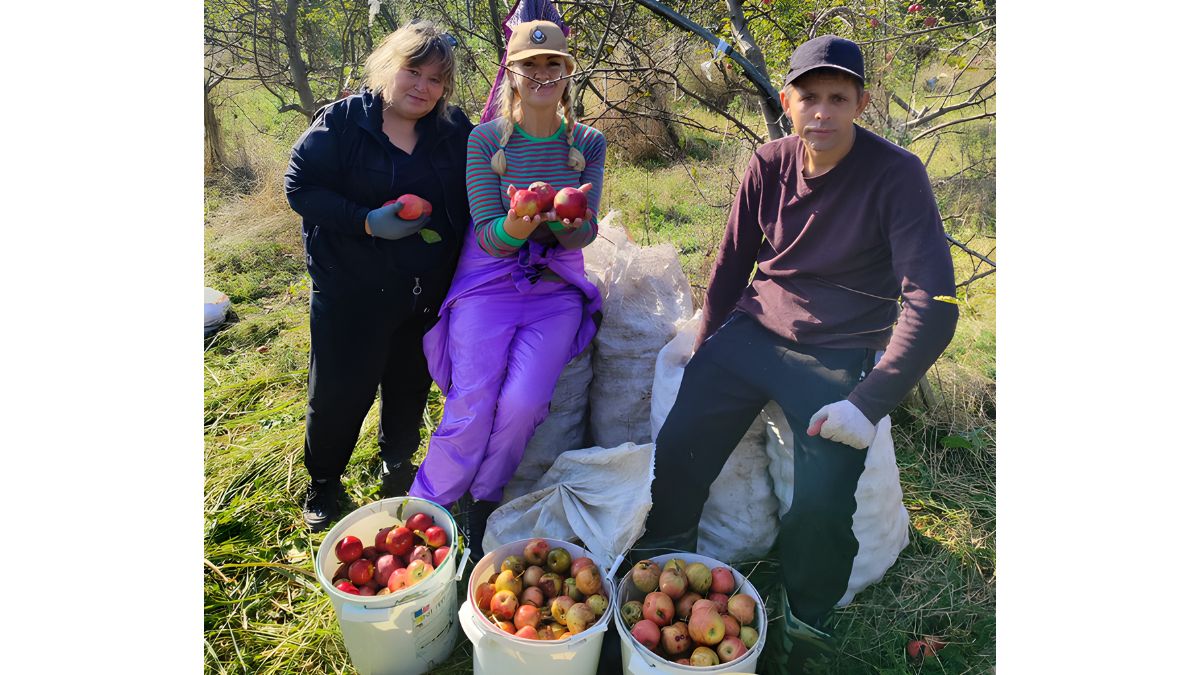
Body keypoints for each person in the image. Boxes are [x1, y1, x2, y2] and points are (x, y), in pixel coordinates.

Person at [632, 35, 960, 669]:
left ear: (861, 102)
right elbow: (732, 264)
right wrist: (706, 351)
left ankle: (806, 626)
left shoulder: (896, 175)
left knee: (820, 502)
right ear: (787, 101)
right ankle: (660, 575)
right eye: (809, 97)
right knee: (678, 450)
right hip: (756, 329)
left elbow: (935, 304)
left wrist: (869, 403)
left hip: (839, 350)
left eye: (839, 98)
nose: (823, 112)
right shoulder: (770, 162)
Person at [410, 20, 606, 559]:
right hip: (490, 278)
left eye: (553, 65)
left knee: (523, 404)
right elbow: (489, 234)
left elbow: (586, 232)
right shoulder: (487, 140)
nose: (542, 74)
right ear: (512, 74)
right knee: (473, 400)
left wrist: (570, 221)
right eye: (530, 66)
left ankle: (483, 499)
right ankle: (431, 507)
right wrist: (523, 221)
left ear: (567, 74)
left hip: (554, 284)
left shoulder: (588, 142)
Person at [283, 21, 474, 531]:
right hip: (353, 291)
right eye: (413, 71)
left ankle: (397, 462)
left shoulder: (454, 133)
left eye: (436, 79)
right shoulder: (345, 123)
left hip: (425, 292)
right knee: (341, 391)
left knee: (410, 384)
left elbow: (491, 177)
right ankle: (323, 481)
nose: (423, 87)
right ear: (388, 66)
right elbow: (300, 186)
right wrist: (365, 220)